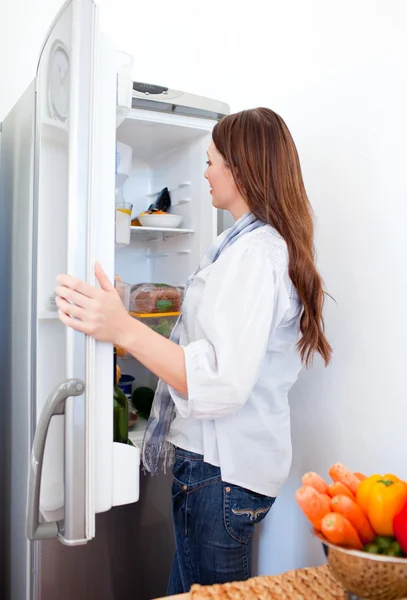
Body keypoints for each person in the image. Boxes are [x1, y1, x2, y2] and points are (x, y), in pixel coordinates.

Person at [55, 107, 332, 595]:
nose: (204, 173)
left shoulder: (257, 253)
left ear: (240, 168)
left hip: (220, 477)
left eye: (211, 161)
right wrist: (122, 315)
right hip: (216, 471)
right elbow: (203, 339)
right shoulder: (239, 245)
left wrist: (123, 328)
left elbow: (220, 382)